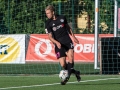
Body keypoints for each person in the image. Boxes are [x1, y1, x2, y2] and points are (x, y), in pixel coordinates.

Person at [45, 5, 81, 85]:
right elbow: (50, 37)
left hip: (68, 42)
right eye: (46, 13)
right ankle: (76, 72)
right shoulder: (48, 23)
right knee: (63, 64)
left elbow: (68, 28)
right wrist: (56, 42)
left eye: (48, 13)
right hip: (59, 45)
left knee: (71, 59)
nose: (47, 15)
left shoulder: (62, 18)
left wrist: (74, 37)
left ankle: (65, 79)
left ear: (53, 12)